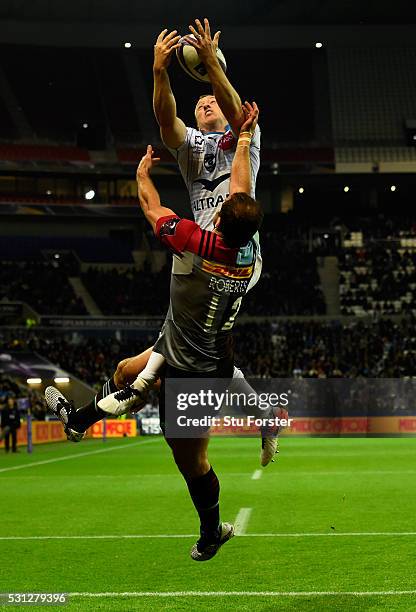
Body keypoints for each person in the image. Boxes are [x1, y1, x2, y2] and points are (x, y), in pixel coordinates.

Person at [46, 103, 269, 560]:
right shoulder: (246, 258)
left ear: (221, 220)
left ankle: (213, 531)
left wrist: (143, 173)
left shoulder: (192, 242)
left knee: (189, 461)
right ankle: (80, 420)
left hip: (195, 369)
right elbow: (243, 186)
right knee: (130, 370)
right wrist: (243, 140)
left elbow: (151, 207)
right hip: (202, 345)